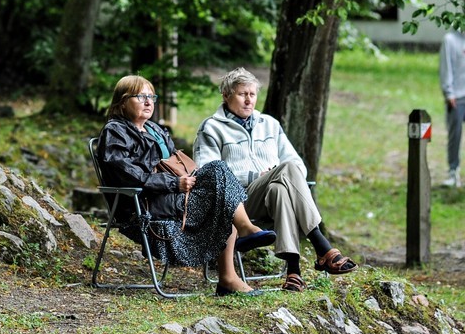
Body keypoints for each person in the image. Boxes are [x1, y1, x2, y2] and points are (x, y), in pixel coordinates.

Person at [98, 75, 276, 296]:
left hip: (172, 195)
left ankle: (242, 239)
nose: (148, 102)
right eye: (141, 96)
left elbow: (176, 163)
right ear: (122, 101)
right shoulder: (115, 131)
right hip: (144, 204)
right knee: (222, 200)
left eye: (151, 96)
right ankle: (230, 271)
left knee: (218, 170)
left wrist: (190, 180)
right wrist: (174, 183)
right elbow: (125, 174)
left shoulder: (155, 130)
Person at [194, 67, 358, 293]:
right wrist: (256, 175)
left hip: (268, 199)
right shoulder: (211, 127)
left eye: (252, 94)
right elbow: (208, 172)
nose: (249, 100)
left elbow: (298, 165)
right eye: (242, 94)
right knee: (285, 172)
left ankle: (294, 273)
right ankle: (321, 244)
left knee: (280, 188)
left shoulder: (269, 124)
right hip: (236, 205)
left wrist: (274, 173)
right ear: (226, 95)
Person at [439, 30, 465, 188]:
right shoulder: (450, 39)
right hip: (457, 97)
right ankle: (453, 172)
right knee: (454, 135)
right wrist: (449, 93)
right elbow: (446, 67)